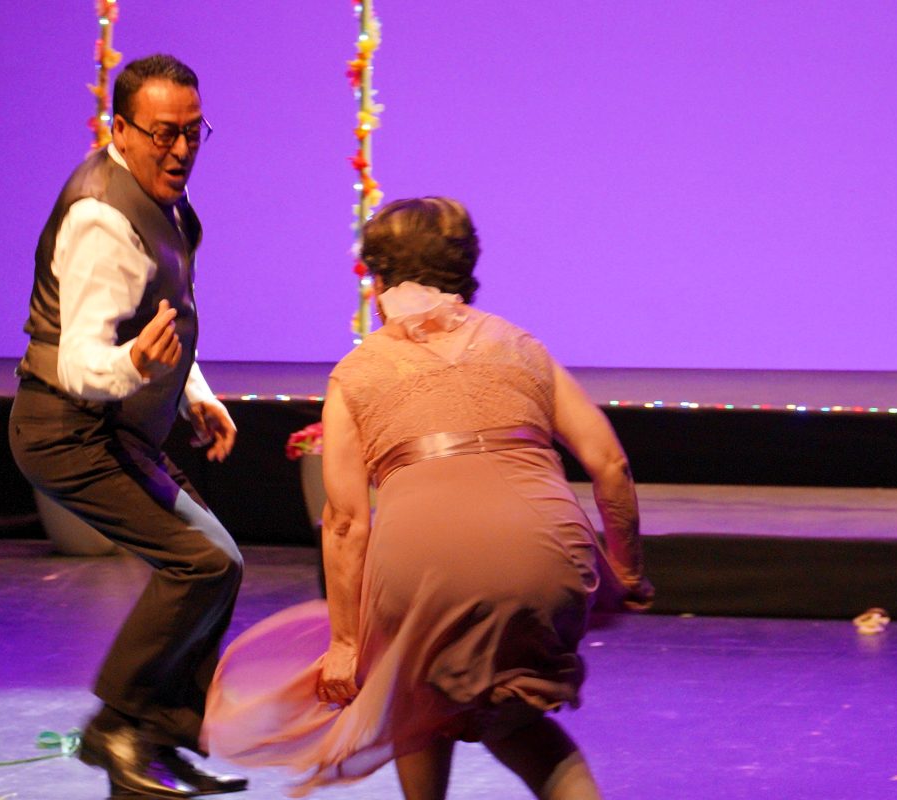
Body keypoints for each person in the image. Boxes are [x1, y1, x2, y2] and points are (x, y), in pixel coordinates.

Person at [202, 197, 653, 799]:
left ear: (378, 279)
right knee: (509, 719)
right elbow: (611, 465)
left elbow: (346, 521)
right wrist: (627, 568)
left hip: (423, 571)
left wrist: (346, 645)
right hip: (547, 558)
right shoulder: (521, 346)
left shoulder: (357, 374)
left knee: (415, 690)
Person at [9, 54, 248, 799]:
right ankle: (115, 727)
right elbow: (81, 362)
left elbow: (158, 319)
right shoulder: (102, 219)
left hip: (113, 429)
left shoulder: (159, 199)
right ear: (120, 129)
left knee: (221, 562)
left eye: (192, 132)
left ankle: (157, 738)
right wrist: (139, 368)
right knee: (199, 564)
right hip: (66, 429)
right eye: (162, 133)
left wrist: (191, 392)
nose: (180, 151)